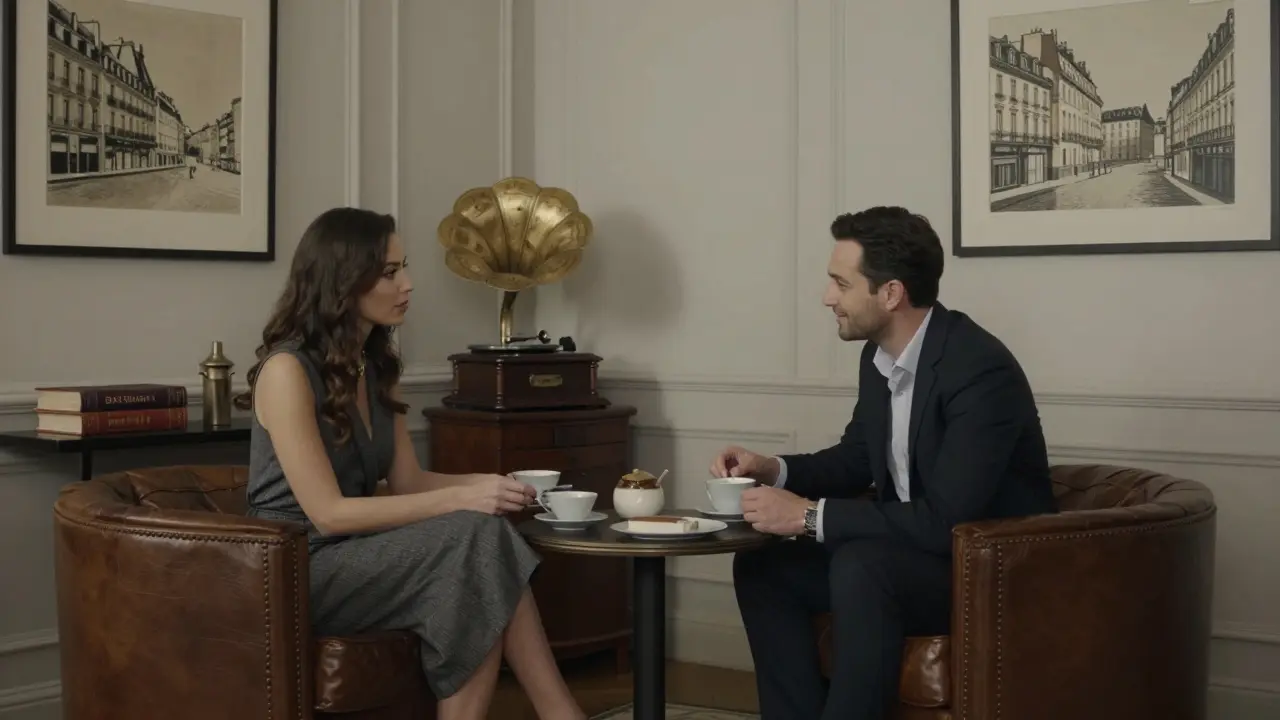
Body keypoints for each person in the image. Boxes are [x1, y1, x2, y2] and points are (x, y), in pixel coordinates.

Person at [236, 207, 586, 720]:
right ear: (343, 280)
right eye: (390, 272)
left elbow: (407, 481)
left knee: (480, 547)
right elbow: (328, 514)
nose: (409, 284)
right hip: (294, 568)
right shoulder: (286, 371)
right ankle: (562, 714)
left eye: (404, 268)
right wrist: (465, 498)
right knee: (476, 538)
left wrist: (491, 486)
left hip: (359, 552)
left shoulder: (376, 367)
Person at [709, 206, 1056, 720]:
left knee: (863, 565)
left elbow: (945, 520)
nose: (828, 298)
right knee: (765, 565)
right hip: (907, 556)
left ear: (890, 293)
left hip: (986, 569)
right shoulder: (881, 357)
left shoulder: (980, 369)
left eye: (840, 284)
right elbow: (856, 459)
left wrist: (805, 516)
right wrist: (771, 468)